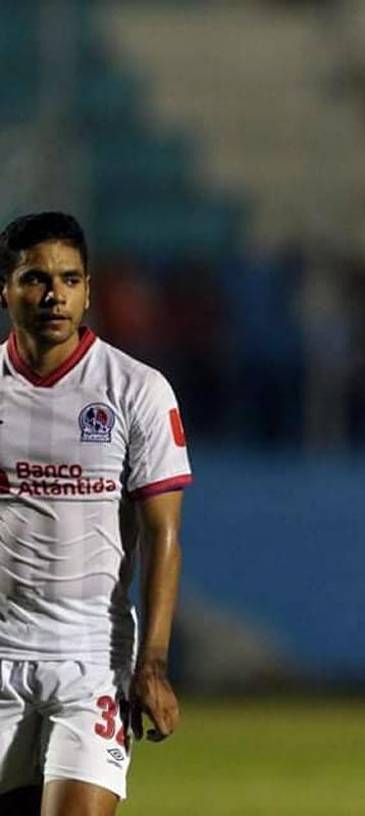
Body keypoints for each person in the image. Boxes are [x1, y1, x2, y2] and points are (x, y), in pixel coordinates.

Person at [0, 212, 191, 815]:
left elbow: (163, 534)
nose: (54, 295)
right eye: (35, 278)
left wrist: (152, 663)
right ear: (5, 290)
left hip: (92, 659)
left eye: (70, 279)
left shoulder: (136, 389)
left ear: (88, 291)